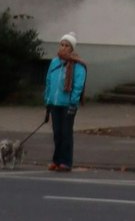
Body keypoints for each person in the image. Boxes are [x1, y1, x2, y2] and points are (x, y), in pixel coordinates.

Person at [44, 33, 87, 172]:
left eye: (66, 45)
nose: (63, 47)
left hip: (67, 104)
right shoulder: (55, 62)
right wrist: (48, 98)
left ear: (71, 49)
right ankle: (56, 160)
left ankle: (66, 161)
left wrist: (73, 102)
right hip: (55, 103)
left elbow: (78, 85)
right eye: (61, 44)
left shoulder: (77, 65)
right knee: (57, 133)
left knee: (66, 133)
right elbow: (49, 81)